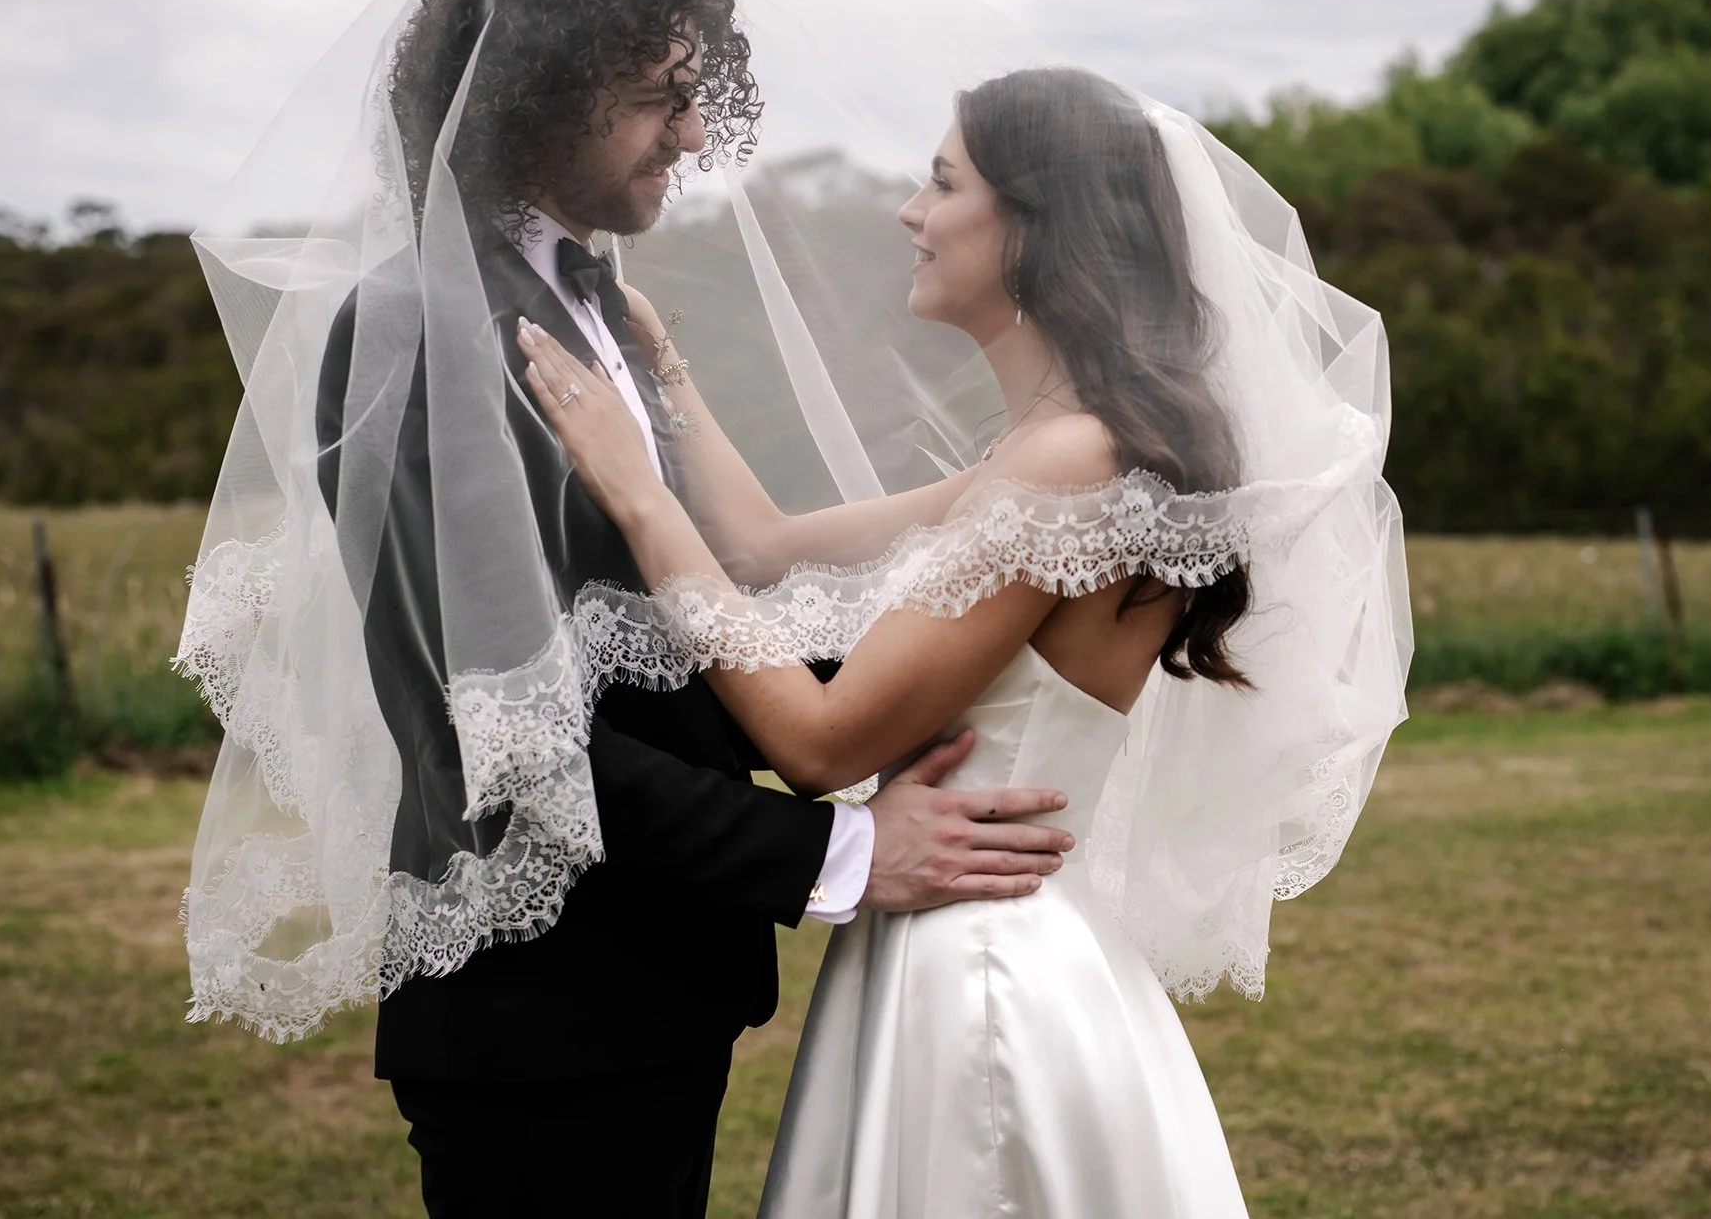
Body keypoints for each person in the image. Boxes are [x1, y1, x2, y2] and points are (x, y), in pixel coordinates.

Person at [175, 0, 1075, 1219]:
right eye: (662, 95)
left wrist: (961, 652)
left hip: (649, 986)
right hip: (542, 1016)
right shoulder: (419, 328)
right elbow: (504, 733)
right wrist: (837, 853)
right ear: (538, 88)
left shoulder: (588, 303)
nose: (696, 135)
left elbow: (663, 635)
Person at [518, 64, 1409, 1216]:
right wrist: (665, 377)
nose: (909, 213)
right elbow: (762, 545)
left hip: (986, 971)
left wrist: (640, 499)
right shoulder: (1045, 453)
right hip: (972, 939)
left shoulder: (1067, 466)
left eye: (942, 183)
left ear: (1040, 227)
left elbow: (824, 744)